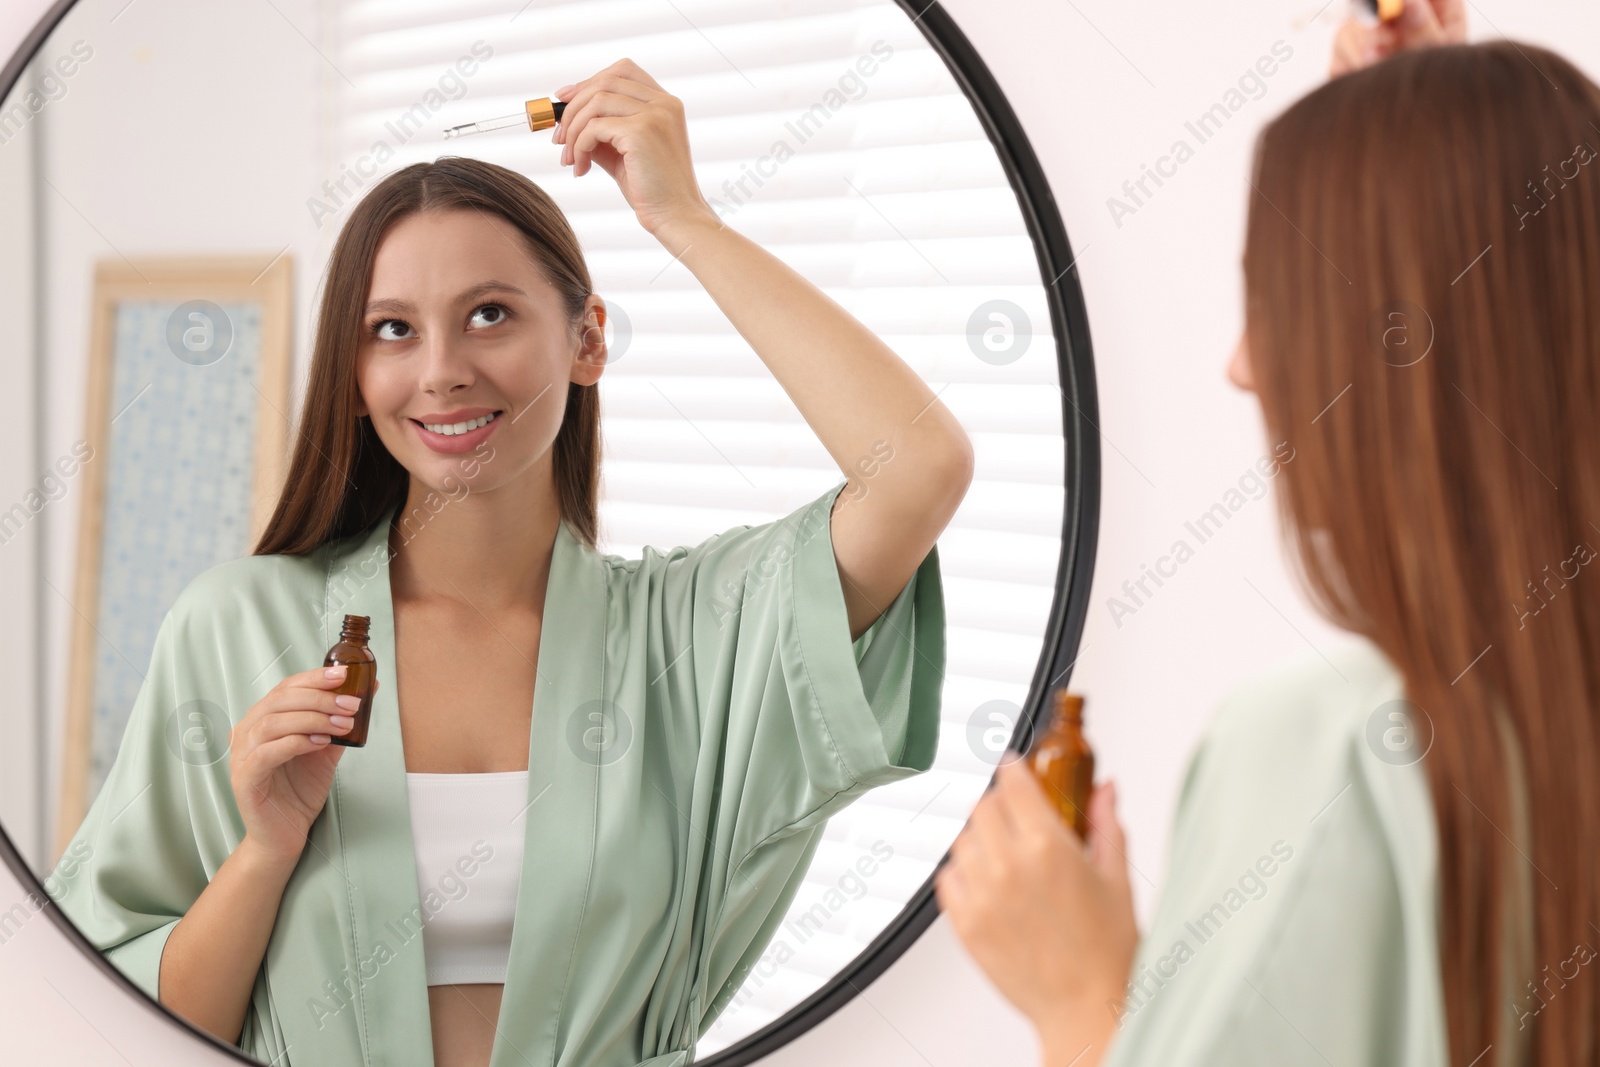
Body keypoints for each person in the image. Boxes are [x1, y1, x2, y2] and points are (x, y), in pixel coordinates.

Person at [49, 59, 970, 1067]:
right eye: (392, 329)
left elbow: (916, 466)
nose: (442, 368)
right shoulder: (233, 628)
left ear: (587, 339)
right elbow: (137, 1022)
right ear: (355, 379)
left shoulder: (691, 636)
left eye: (490, 312)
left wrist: (688, 219)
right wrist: (265, 850)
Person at [936, 25, 1600, 1067]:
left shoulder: (1327, 751)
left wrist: (1082, 999)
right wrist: (1463, 167)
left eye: (1271, 295)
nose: (1241, 366)